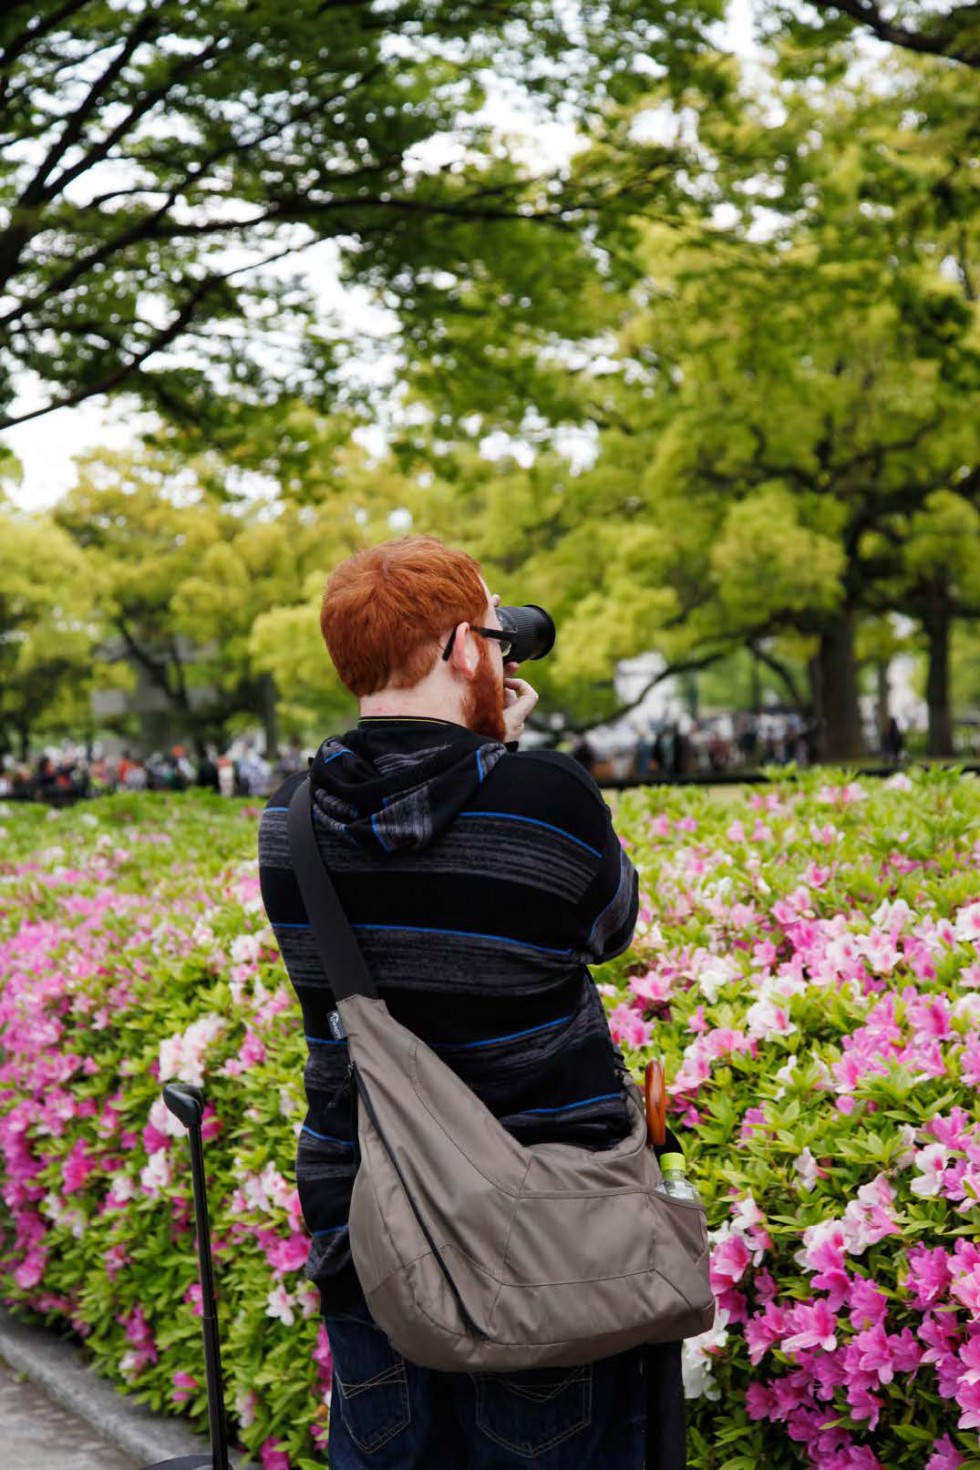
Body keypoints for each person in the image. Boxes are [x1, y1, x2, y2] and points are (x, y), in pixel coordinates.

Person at [258, 536, 681, 1469]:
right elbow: (610, 929)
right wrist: (511, 753)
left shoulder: (288, 822)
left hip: (370, 1220)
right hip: (541, 1228)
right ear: (462, 650)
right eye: (495, 633)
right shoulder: (546, 793)